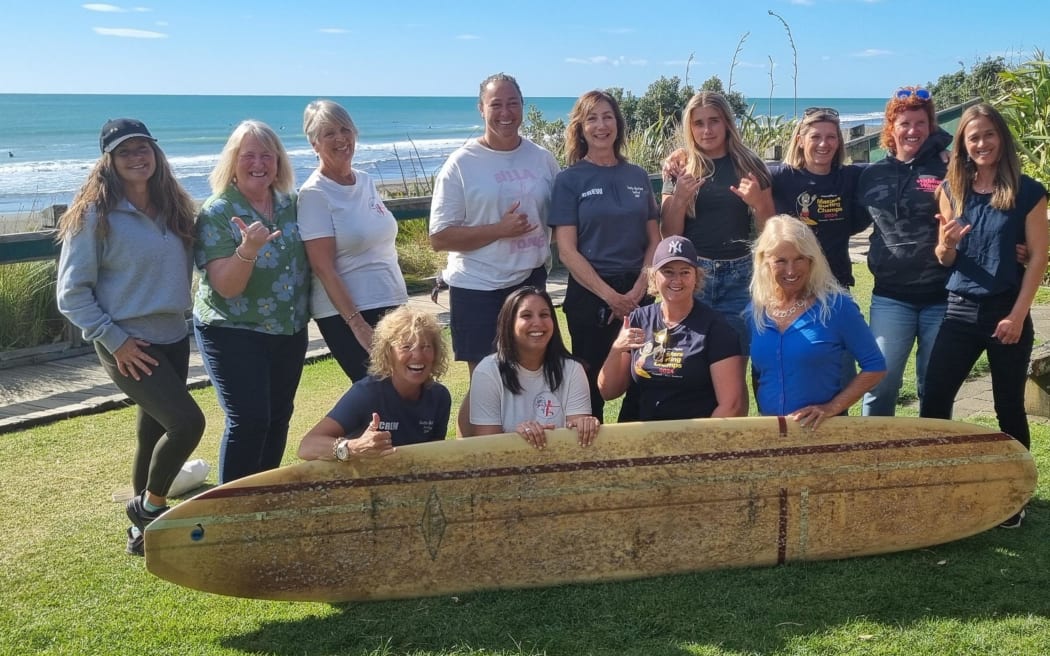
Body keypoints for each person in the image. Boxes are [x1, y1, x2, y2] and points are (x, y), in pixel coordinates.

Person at [56, 118, 205, 556]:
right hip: (126, 343)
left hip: (173, 335)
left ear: (156, 154)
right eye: (125, 152)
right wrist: (113, 339)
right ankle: (149, 508)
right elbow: (71, 293)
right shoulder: (93, 215)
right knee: (186, 423)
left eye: (144, 148)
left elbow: (200, 261)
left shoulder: (174, 207)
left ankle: (143, 535)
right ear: (109, 161)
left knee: (152, 431)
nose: (137, 157)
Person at [921, 103, 1048, 528]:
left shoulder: (1027, 192)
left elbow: (1037, 260)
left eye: (988, 135)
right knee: (935, 398)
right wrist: (948, 245)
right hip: (959, 311)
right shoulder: (950, 189)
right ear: (963, 144)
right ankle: (937, 483)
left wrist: (1017, 315)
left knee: (1008, 407)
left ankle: (1014, 494)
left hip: (1006, 313)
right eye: (973, 137)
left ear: (1002, 139)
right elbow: (943, 257)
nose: (981, 144)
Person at [428, 72, 560, 432]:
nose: (505, 112)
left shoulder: (542, 159)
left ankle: (514, 452)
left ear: (523, 106)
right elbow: (439, 237)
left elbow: (563, 216)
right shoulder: (461, 164)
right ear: (481, 110)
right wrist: (498, 231)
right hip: (478, 286)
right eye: (496, 104)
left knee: (528, 377)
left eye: (512, 103)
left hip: (530, 281)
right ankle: (473, 454)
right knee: (486, 383)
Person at [193, 119, 310, 484]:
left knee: (278, 416)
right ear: (233, 161)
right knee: (250, 420)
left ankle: (263, 497)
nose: (258, 163)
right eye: (248, 156)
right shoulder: (218, 211)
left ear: (278, 162)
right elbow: (227, 287)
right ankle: (230, 512)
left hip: (288, 329)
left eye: (267, 155)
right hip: (233, 330)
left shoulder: (291, 204)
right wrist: (248, 250)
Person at [549, 90, 661, 422]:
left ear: (618, 123)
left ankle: (636, 453)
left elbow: (654, 239)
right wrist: (611, 296)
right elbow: (566, 251)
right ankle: (590, 457)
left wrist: (639, 289)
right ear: (580, 128)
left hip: (638, 291)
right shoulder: (568, 180)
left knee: (644, 374)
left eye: (608, 116)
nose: (601, 125)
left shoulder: (638, 176)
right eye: (592, 118)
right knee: (588, 383)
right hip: (590, 295)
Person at [856, 87, 952, 417]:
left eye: (921, 123)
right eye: (905, 123)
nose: (913, 130)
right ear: (890, 128)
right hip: (890, 299)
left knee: (935, 383)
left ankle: (932, 453)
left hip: (941, 296)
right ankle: (874, 454)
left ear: (931, 127)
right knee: (880, 382)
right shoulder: (870, 175)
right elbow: (837, 215)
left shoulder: (948, 170)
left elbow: (982, 209)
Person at [298, 99, 408, 381]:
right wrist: (357, 324)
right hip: (349, 314)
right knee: (379, 396)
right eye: (329, 133)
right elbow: (323, 267)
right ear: (314, 144)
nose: (340, 139)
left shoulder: (366, 181)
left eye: (345, 129)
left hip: (391, 303)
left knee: (408, 392)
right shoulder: (314, 194)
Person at [660, 91, 774, 353]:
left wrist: (757, 203)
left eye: (715, 121)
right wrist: (679, 199)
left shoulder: (749, 164)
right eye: (699, 123)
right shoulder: (680, 166)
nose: (707, 130)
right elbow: (669, 236)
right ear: (690, 127)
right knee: (689, 361)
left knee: (734, 359)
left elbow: (768, 230)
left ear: (727, 123)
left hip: (740, 276)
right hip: (693, 275)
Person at [748, 215, 886, 427]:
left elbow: (875, 366)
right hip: (772, 434)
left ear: (812, 259)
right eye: (781, 261)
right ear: (765, 261)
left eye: (799, 258)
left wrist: (833, 407)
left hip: (819, 432)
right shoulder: (756, 310)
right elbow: (759, 374)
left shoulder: (837, 306)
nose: (791, 270)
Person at [598, 236, 747, 420]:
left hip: (690, 438)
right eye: (668, 272)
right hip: (639, 436)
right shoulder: (638, 319)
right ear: (653, 276)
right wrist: (616, 350)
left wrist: (693, 443)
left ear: (696, 276)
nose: (677, 280)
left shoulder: (715, 328)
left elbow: (731, 405)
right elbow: (608, 392)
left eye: (685, 272)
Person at [298, 307, 451, 461]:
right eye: (406, 347)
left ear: (436, 353)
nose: (418, 356)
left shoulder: (439, 397)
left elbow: (433, 457)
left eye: (426, 347)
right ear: (387, 353)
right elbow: (306, 446)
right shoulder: (367, 393)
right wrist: (352, 447)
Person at [466, 287, 600, 449]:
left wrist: (585, 426)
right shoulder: (487, 372)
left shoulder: (573, 370)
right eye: (526, 316)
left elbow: (578, 442)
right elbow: (488, 447)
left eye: (544, 315)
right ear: (509, 324)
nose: (537, 323)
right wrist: (519, 437)